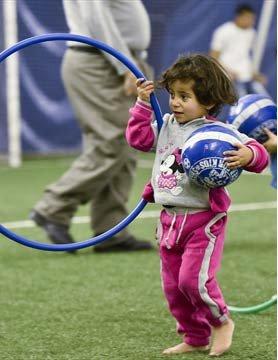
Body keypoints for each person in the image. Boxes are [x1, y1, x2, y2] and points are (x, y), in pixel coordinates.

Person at [125, 54, 269, 356]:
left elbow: (257, 152)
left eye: (185, 96)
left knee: (194, 281)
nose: (175, 103)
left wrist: (249, 155)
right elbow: (138, 139)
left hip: (203, 221)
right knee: (174, 289)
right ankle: (195, 336)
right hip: (168, 221)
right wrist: (141, 104)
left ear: (207, 101)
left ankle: (221, 322)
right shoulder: (166, 125)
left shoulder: (218, 132)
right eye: (174, 95)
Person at [30, 0, 153, 252]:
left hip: (111, 60)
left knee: (124, 143)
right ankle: (53, 208)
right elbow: (96, 15)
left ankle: (111, 230)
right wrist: (124, 66)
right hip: (101, 62)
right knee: (114, 142)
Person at [210, 4, 268, 97]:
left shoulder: (252, 33)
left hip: (247, 78)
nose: (252, 22)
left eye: (253, 19)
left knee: (266, 101)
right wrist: (226, 72)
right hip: (230, 79)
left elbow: (245, 57)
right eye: (248, 18)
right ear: (239, 17)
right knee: (241, 104)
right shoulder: (223, 31)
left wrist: (255, 74)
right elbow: (213, 57)